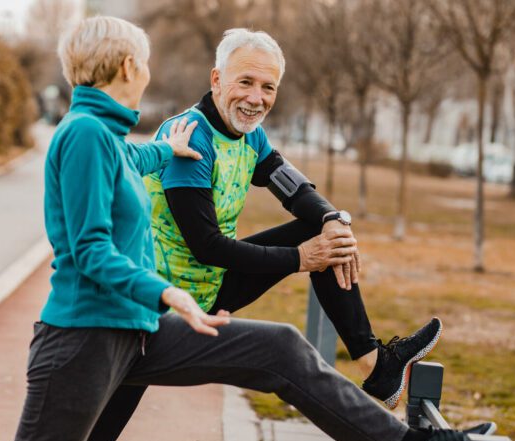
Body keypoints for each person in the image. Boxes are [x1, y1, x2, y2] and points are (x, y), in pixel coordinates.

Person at [0, 16, 476, 441]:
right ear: (126, 65)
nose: (149, 75)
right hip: (88, 339)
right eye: (145, 64)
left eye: (268, 86)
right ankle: (405, 429)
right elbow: (91, 249)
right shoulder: (86, 134)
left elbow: (134, 162)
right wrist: (167, 292)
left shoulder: (109, 137)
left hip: (140, 327)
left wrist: (333, 218)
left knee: (280, 348)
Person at [144, 28, 440, 411]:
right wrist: (302, 258)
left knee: (324, 230)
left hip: (211, 288)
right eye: (246, 82)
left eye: (268, 87)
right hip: (163, 301)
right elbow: (206, 246)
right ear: (216, 79)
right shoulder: (190, 136)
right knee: (93, 438)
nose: (256, 98)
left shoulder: (250, 136)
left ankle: (376, 364)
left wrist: (334, 220)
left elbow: (295, 189)